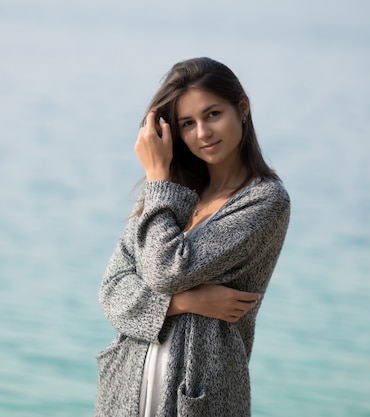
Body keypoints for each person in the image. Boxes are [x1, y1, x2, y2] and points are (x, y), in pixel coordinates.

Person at [94, 57, 290, 417]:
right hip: (125, 391)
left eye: (213, 114)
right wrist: (182, 303)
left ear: (241, 109)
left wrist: (156, 178)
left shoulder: (264, 200)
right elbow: (111, 291)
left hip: (201, 397)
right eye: (187, 123)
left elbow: (166, 271)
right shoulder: (170, 195)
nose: (203, 132)